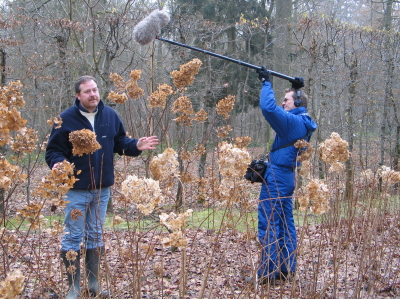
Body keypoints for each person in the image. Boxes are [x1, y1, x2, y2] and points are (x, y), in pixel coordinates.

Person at [45, 75, 159, 299]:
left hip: (102, 189)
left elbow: (119, 143)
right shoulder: (65, 119)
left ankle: (94, 285)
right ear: (78, 95)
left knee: (95, 235)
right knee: (72, 237)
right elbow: (52, 151)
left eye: (95, 90)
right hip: (75, 189)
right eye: (87, 91)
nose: (93, 94)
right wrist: (57, 163)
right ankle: (73, 288)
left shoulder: (110, 115)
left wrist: (136, 144)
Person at [254, 67, 317, 285]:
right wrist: (297, 88)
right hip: (285, 177)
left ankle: (268, 274)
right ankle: (286, 268)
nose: (283, 103)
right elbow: (280, 107)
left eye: (287, 100)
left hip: (278, 178)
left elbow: (268, 107)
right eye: (284, 99)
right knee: (284, 223)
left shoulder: (293, 123)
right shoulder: (303, 122)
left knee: (269, 222)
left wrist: (266, 83)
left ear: (298, 104)